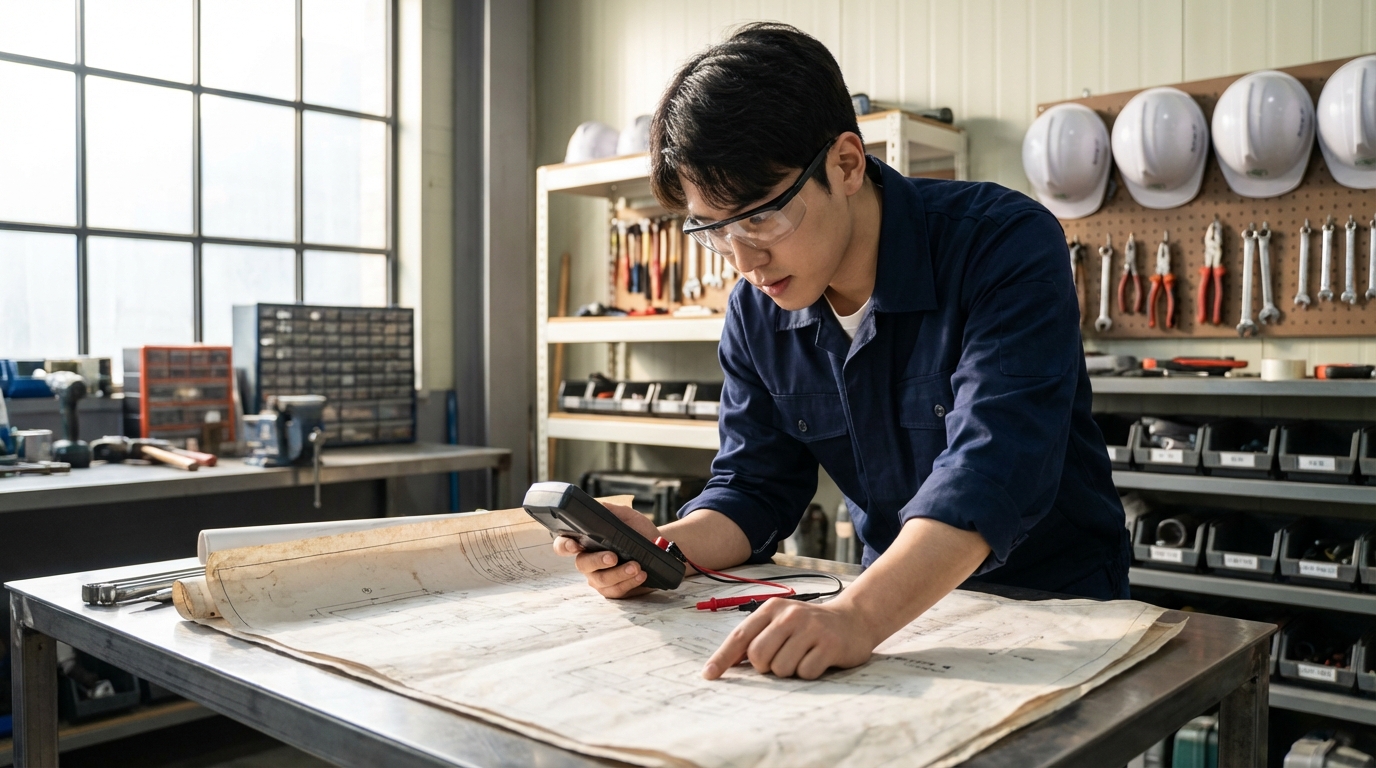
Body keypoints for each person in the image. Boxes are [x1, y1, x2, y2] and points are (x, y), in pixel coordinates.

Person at [553, 22, 1127, 682]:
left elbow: (991, 469)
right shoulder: (756, 309)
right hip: (898, 612)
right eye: (714, 230)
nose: (744, 261)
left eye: (761, 215)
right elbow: (751, 487)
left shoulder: (1005, 245)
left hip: (1059, 612)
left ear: (846, 164)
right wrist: (657, 552)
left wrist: (856, 616)